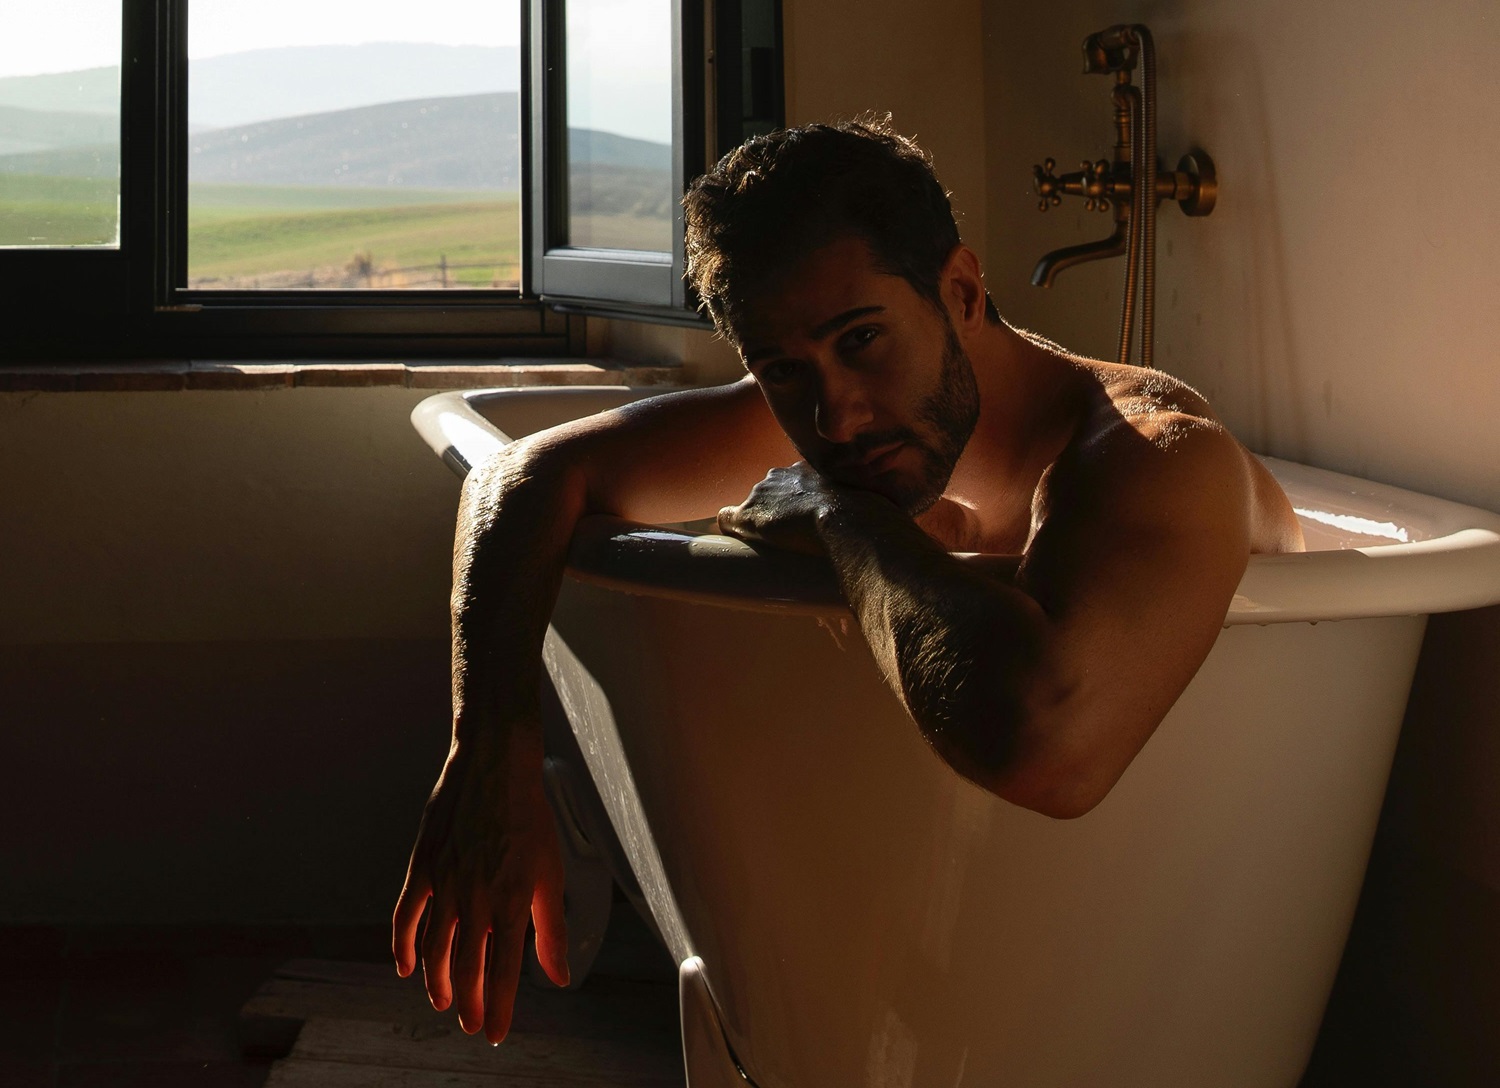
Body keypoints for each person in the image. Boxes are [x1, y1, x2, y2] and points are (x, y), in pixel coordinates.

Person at [391, 116, 1306, 1044]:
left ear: (961, 291)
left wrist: (840, 519)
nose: (834, 414)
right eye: (782, 369)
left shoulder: (1158, 455)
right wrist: (489, 748)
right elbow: (519, 475)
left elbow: (1054, 746)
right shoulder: (834, 411)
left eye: (862, 339)